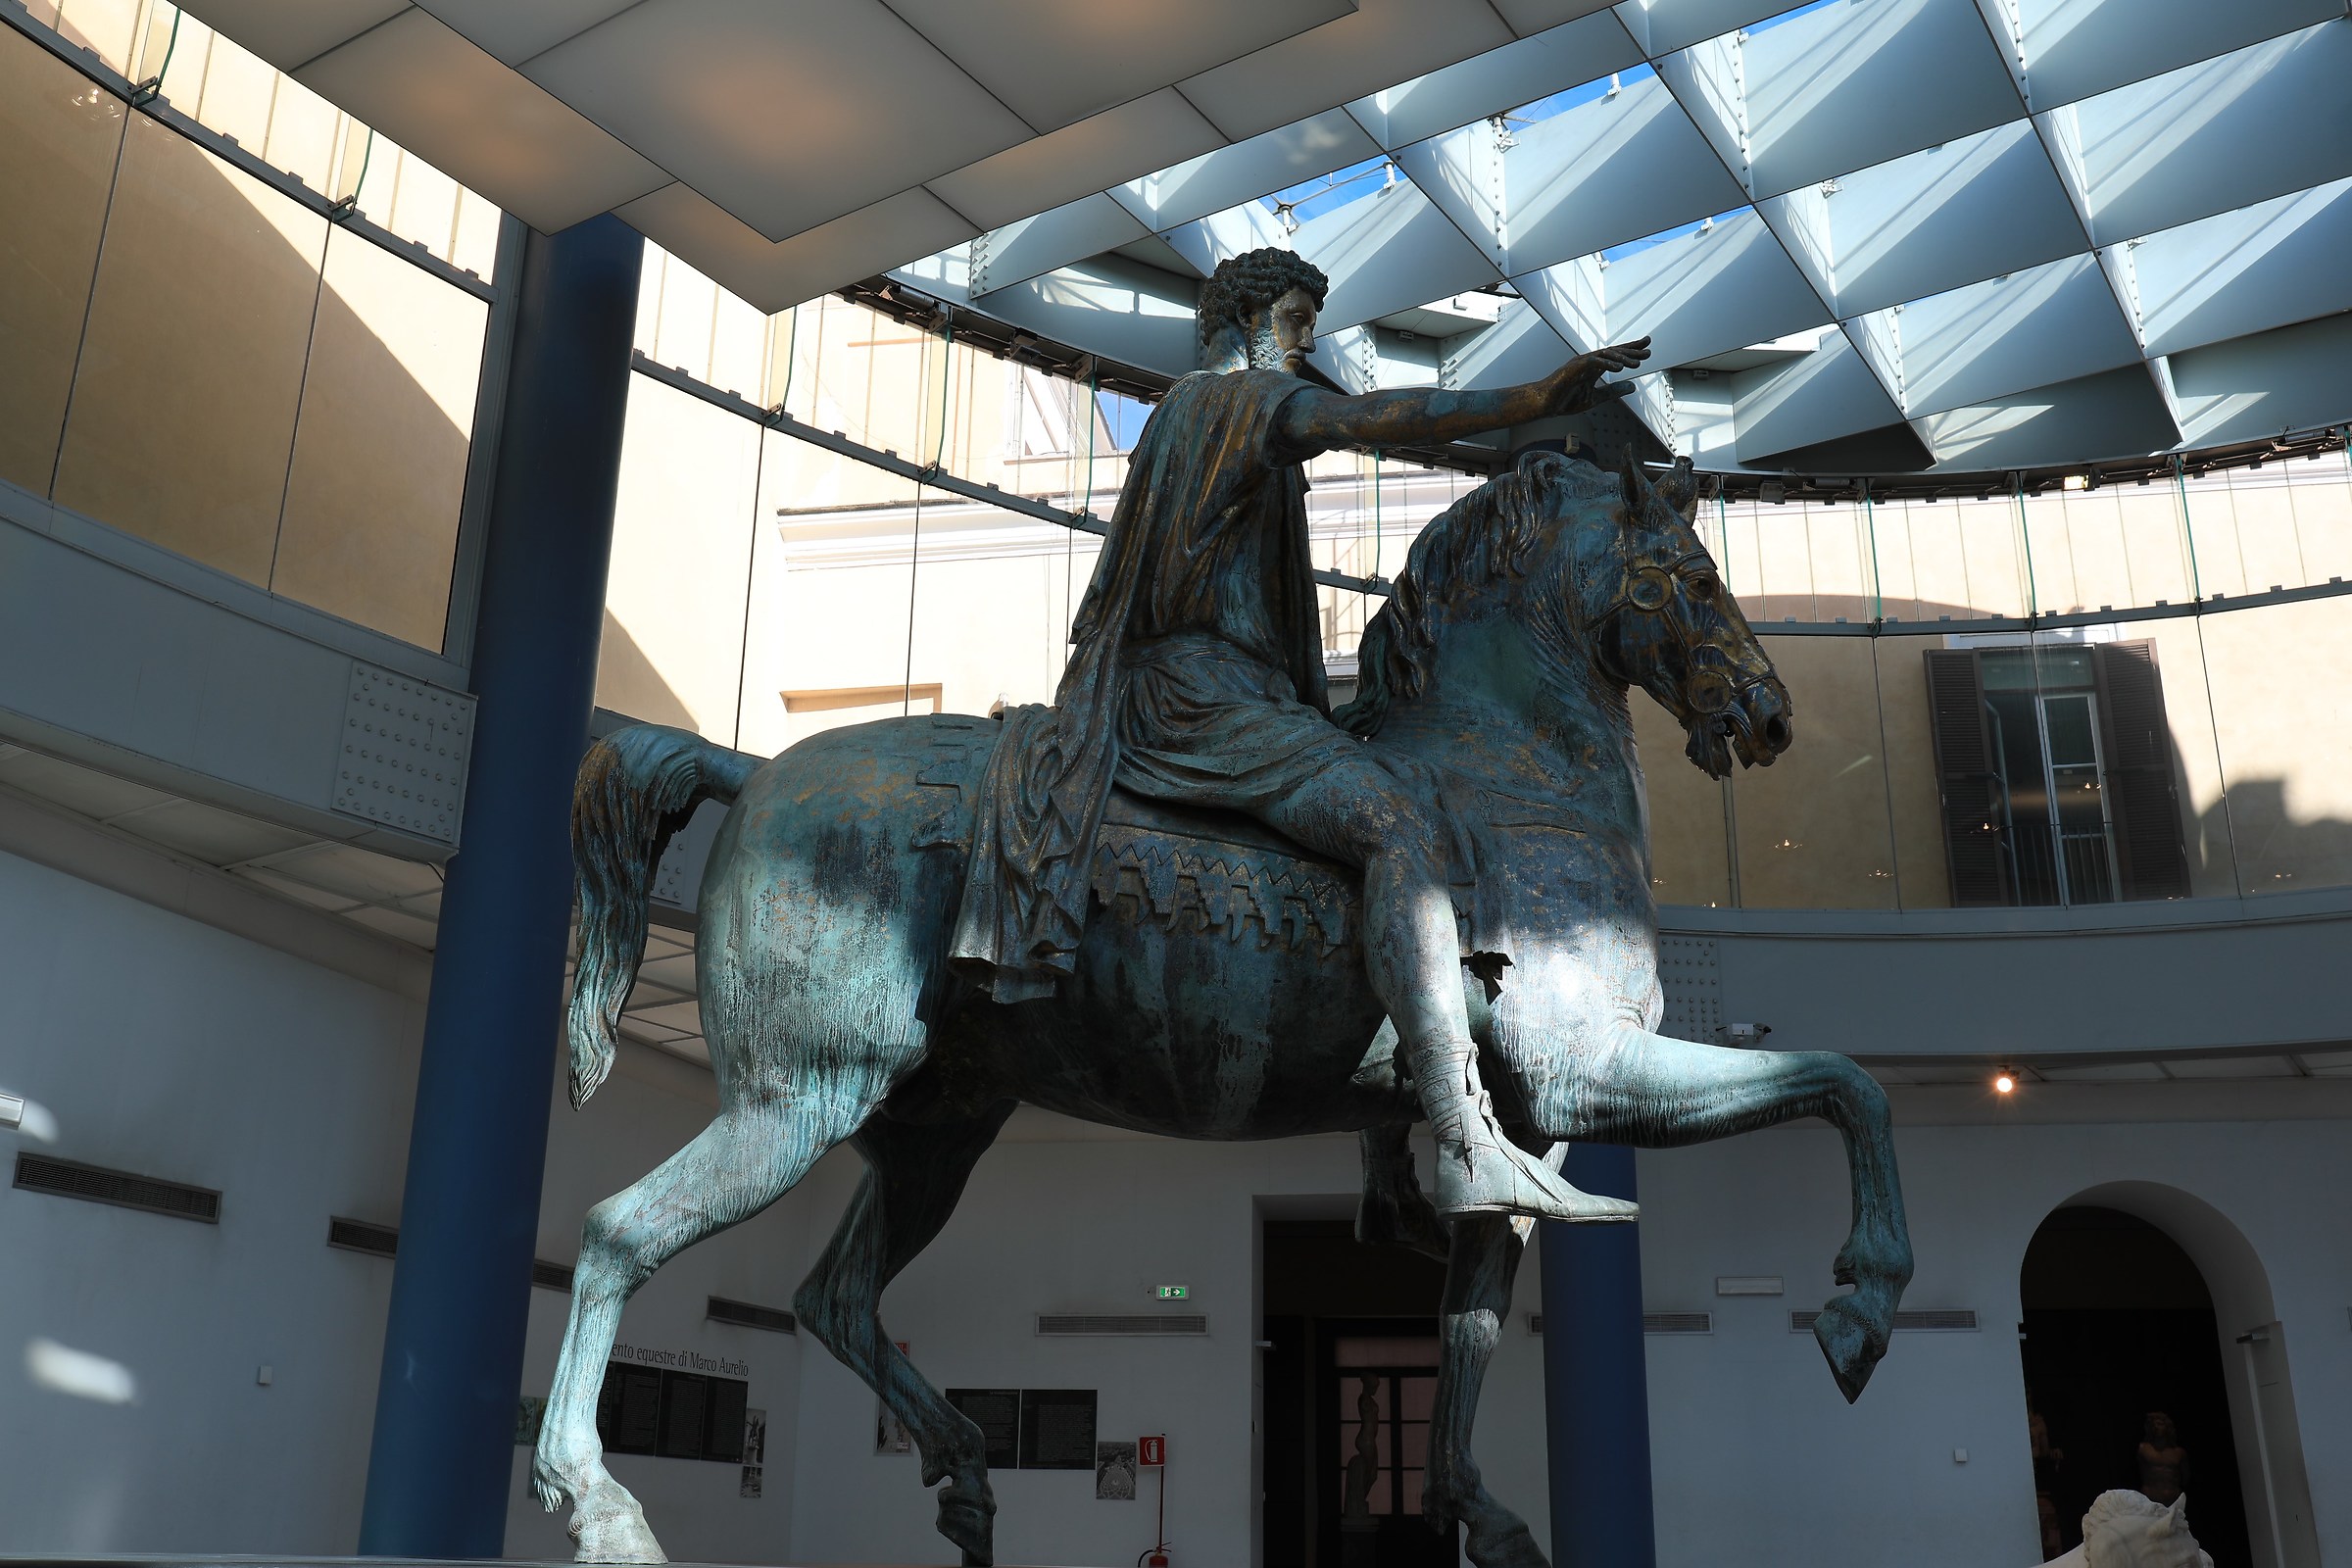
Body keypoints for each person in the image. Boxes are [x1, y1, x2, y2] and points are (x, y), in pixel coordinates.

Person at [952, 247, 1650, 1221]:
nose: (1307, 339)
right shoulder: (1228, 403)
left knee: (1373, 818)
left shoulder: (1197, 420)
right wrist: (1529, 396)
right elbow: (1367, 418)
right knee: (1397, 821)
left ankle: (1381, 1172)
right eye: (1291, 319)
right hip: (1200, 696)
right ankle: (1458, 1133)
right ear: (1244, 321)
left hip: (1230, 692)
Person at [2138, 1411, 2188, 1505]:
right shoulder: (2144, 1449)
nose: (2156, 1427)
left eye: (2159, 1424)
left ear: (2167, 1427)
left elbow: (2186, 1478)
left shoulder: (2179, 1452)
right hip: (2151, 1498)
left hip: (2173, 1498)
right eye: (2153, 1424)